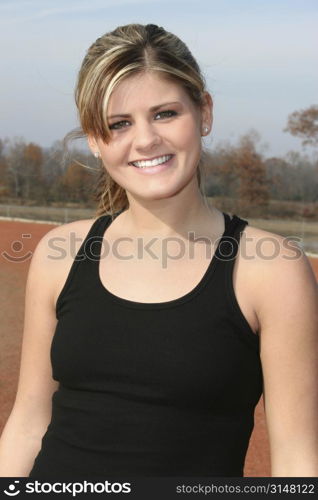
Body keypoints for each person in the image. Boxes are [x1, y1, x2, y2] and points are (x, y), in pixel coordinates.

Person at [0, 23, 317, 478]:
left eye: (165, 113)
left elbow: (297, 461)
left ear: (204, 113)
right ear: (94, 138)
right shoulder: (60, 252)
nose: (145, 140)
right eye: (119, 124)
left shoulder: (271, 269)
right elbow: (29, 422)